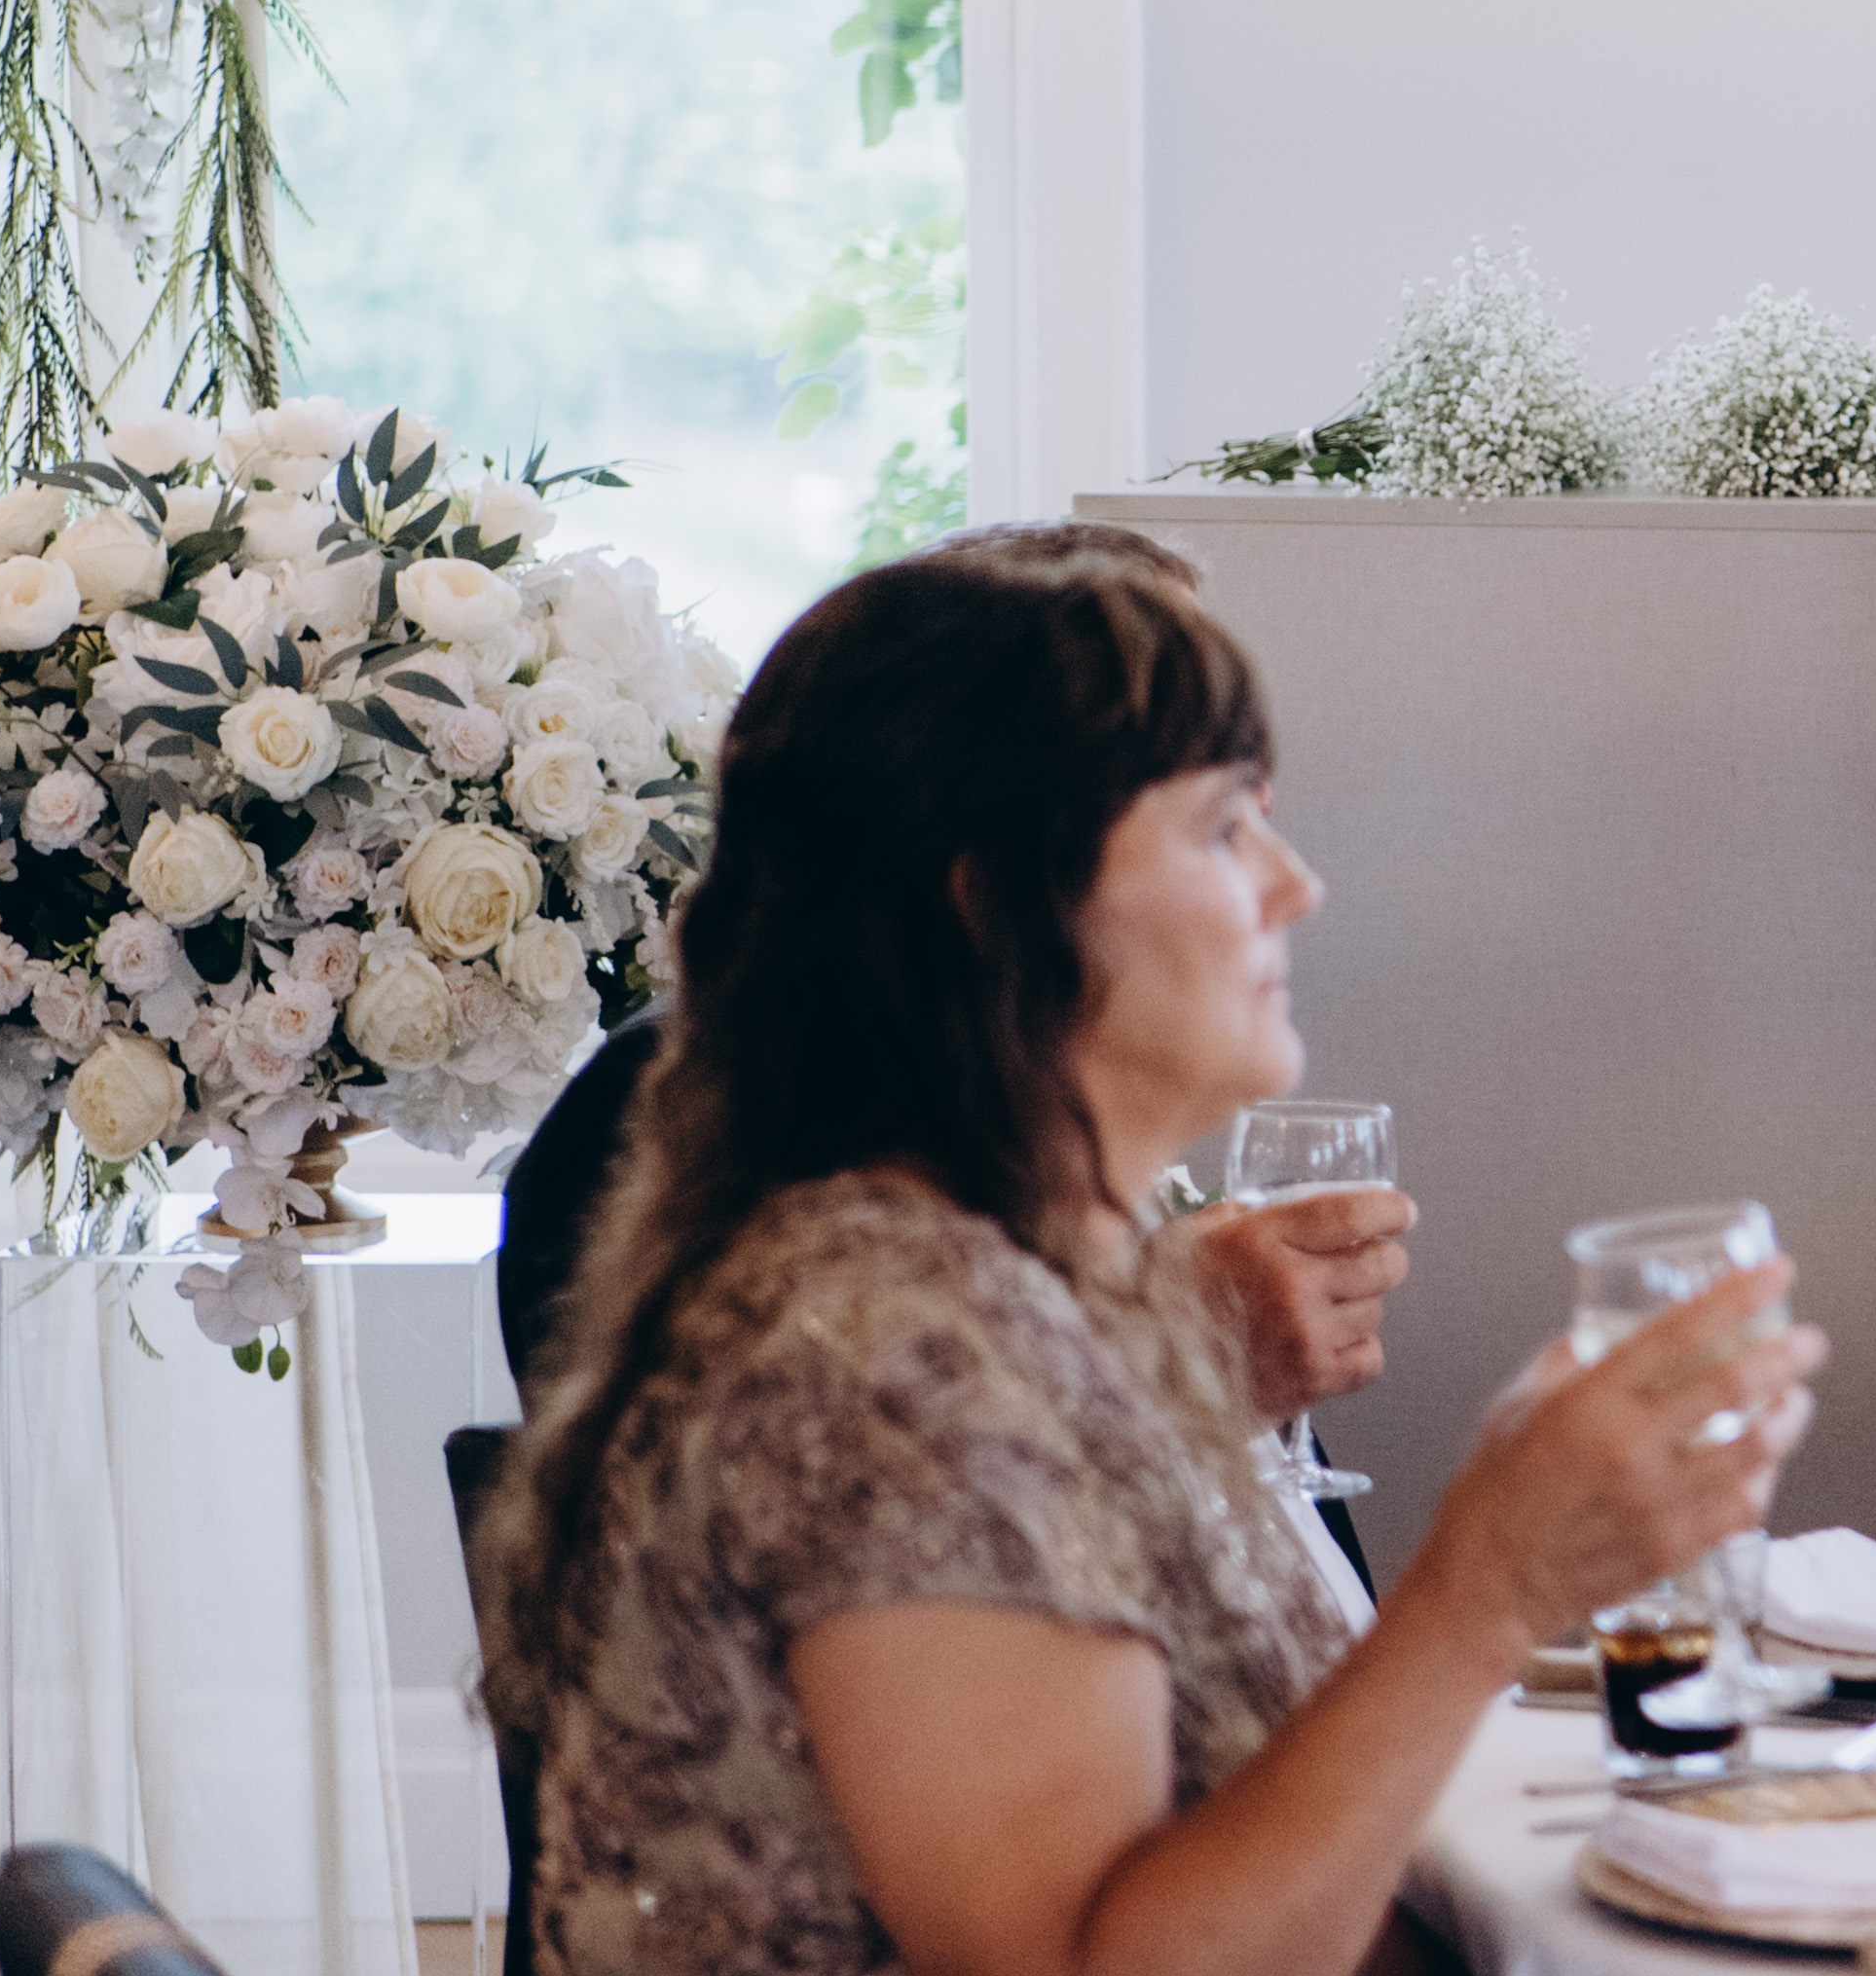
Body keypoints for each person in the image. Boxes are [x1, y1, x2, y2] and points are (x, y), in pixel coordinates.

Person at [469, 537, 1821, 1976]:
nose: (1298, 885)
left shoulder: (1004, 1298)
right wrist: (1488, 1585)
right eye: (1223, 826)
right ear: (990, 910)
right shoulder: (887, 1351)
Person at [493, 521, 1418, 1549]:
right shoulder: (701, 1141)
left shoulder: (1066, 1169)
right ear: (998, 890)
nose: (1293, 884)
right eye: (1216, 820)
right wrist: (1167, 1351)